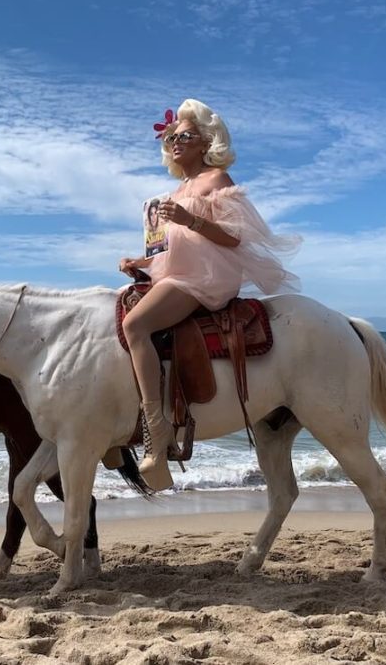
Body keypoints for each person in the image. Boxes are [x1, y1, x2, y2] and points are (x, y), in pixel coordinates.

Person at [119, 99, 300, 491]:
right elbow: (166, 250)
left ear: (205, 142)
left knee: (135, 326)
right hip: (176, 272)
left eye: (184, 135)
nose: (175, 142)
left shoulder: (218, 180)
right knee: (118, 310)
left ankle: (156, 428)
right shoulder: (175, 190)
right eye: (171, 136)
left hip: (205, 277)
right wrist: (139, 260)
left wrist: (192, 219)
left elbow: (235, 236)